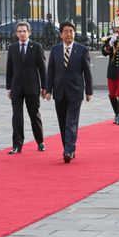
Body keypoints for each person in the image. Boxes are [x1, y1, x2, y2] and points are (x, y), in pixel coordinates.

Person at [45, 21, 93, 163]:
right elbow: (51, 71)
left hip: (75, 91)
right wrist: (48, 90)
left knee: (71, 122)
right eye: (65, 31)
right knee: (62, 123)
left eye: (71, 31)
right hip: (59, 91)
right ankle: (68, 147)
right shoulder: (55, 50)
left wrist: (89, 91)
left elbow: (87, 72)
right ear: (61, 34)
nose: (68, 34)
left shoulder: (82, 50)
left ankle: (68, 150)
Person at [5, 21, 47, 154]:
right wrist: (9, 87)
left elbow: (42, 69)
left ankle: (40, 141)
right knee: (17, 116)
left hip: (32, 87)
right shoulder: (12, 48)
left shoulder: (36, 47)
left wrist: (44, 86)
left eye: (24, 31)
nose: (22, 33)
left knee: (34, 115)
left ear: (29, 32)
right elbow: (9, 70)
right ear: (16, 34)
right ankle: (17, 145)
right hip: (16, 87)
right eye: (19, 31)